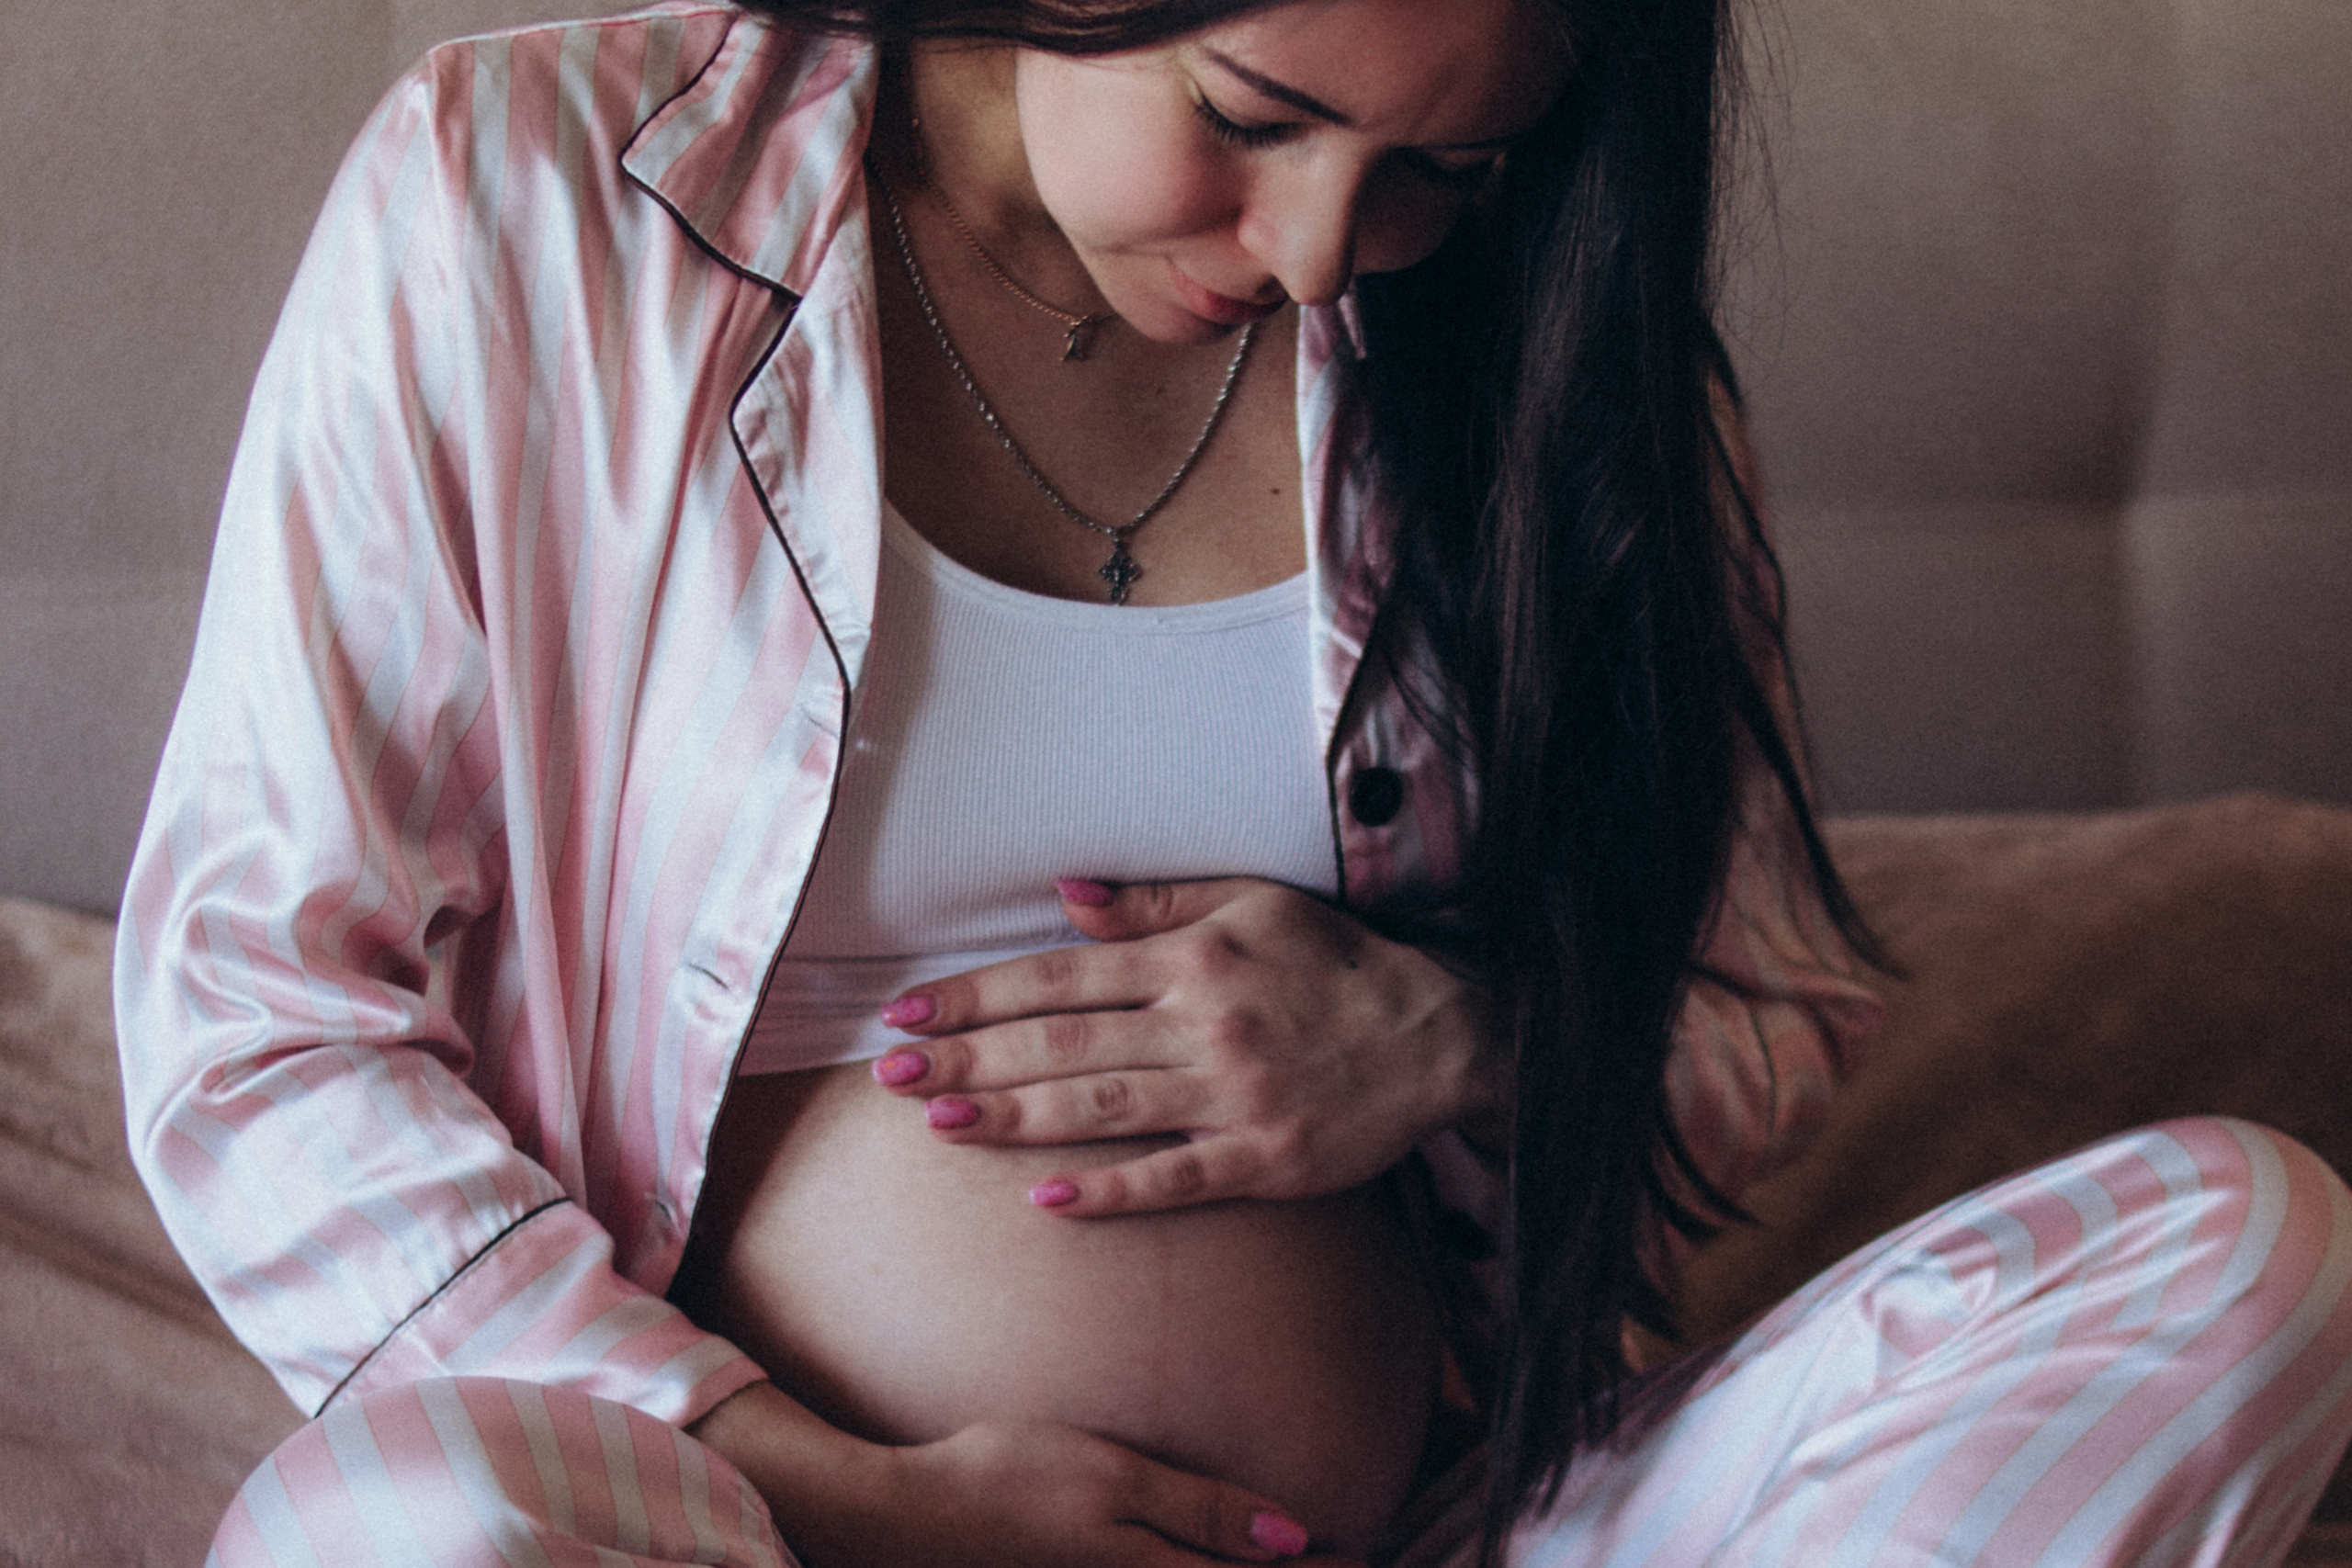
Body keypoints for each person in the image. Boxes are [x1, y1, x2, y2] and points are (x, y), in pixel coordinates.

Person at [113, 0, 2352, 1564]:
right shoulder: (531, 194)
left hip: (1438, 1517)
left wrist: (1455, 1029)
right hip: (750, 1525)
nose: (1312, 252)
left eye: (1431, 174)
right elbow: (256, 1012)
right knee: (384, 1526)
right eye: (1257, 112)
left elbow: (1751, 1009)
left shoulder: (1547, 345)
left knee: (2254, 1242)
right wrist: (858, 1492)